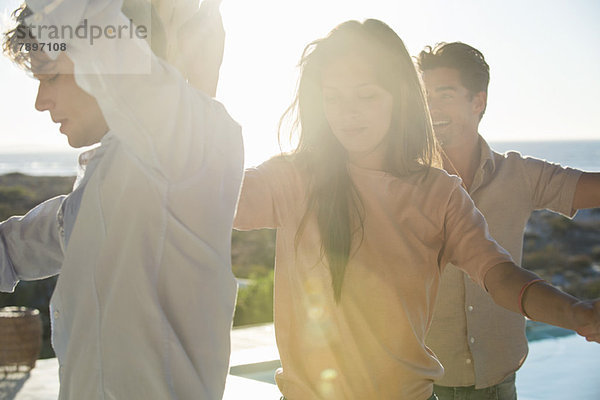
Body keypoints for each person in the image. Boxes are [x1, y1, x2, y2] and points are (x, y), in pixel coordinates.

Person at [233, 19, 600, 400]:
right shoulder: (291, 178)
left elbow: (498, 273)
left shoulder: (439, 193)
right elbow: (211, 200)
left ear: (400, 97)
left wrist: (576, 312)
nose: (347, 112)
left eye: (366, 96)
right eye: (333, 97)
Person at [0, 0, 242, 398]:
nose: (40, 102)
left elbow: (76, 17)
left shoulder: (192, 140)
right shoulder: (91, 196)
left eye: (52, 76)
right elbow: (13, 247)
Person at [417, 42, 600, 400]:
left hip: (497, 387)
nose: (431, 108)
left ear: (478, 101)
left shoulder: (518, 175)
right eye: (424, 97)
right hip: (418, 387)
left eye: (444, 95)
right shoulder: (401, 185)